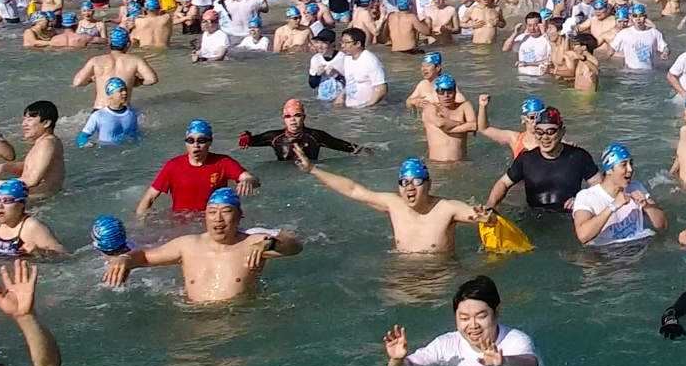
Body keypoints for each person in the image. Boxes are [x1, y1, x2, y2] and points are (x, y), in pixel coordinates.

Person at [105, 188, 305, 302]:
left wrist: (270, 242)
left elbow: (295, 245)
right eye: (212, 212)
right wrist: (126, 258)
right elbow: (146, 256)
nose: (218, 219)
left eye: (225, 212)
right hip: (193, 319)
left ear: (239, 216)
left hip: (237, 322)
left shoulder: (253, 244)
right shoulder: (188, 245)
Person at [304, 156, 484, 254]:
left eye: (416, 182)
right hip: (401, 277)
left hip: (440, 279)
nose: (410, 188)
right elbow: (352, 190)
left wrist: (487, 217)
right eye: (404, 183)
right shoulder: (394, 204)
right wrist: (313, 170)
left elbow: (478, 214)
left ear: (428, 184)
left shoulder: (447, 208)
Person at [383, 275, 540, 366]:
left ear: (496, 312)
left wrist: (504, 362)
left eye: (481, 316)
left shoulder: (515, 341)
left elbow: (531, 365)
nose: (472, 325)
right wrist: (396, 360)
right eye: (464, 318)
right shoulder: (447, 344)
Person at [486, 111, 600, 213]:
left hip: (568, 218)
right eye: (539, 132)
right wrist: (491, 204)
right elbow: (504, 183)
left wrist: (582, 199)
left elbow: (599, 185)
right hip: (534, 216)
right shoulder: (526, 159)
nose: (545, 137)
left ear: (562, 131)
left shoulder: (578, 156)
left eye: (550, 132)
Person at [136, 120, 257, 215]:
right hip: (181, 222)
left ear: (210, 142)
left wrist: (248, 181)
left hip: (212, 221)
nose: (196, 145)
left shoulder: (223, 163)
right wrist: (140, 225)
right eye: (190, 140)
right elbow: (149, 197)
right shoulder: (173, 166)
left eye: (201, 140)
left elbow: (251, 179)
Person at [570, 143, 667, 246]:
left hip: (639, 247)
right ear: (609, 170)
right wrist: (613, 206)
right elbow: (583, 236)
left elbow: (663, 225)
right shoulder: (586, 196)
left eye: (631, 163)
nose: (630, 169)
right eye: (623, 165)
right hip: (608, 254)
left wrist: (647, 206)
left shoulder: (635, 187)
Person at [237, 97, 365, 164]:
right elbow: (252, 141)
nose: (292, 120)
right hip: (284, 175)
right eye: (288, 117)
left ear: (304, 117)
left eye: (297, 116)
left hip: (310, 173)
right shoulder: (275, 137)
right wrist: (247, 137)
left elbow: (346, 147)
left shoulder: (315, 136)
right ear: (284, 119)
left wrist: (366, 151)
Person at [0, 179, 65, 257]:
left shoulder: (32, 227)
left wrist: (38, 252)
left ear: (22, 204)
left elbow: (64, 256)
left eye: (7, 201)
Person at [0, 101, 64, 196]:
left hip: (42, 202)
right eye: (24, 120)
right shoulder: (42, 142)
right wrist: (6, 167)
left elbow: (33, 180)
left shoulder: (47, 144)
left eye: (29, 120)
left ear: (46, 123)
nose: (24, 124)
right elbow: (32, 168)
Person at [75, 77, 142, 146]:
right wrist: (90, 145)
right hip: (108, 152)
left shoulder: (132, 113)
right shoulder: (98, 115)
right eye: (120, 90)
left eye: (125, 90)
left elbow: (137, 134)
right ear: (110, 94)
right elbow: (82, 138)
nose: (125, 93)